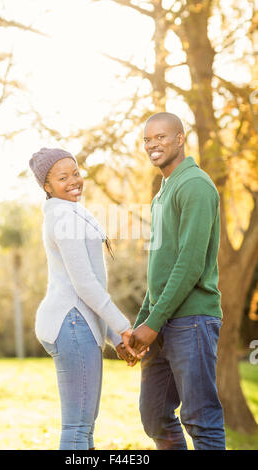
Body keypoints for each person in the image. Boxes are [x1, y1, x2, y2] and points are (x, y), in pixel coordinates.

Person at [29, 148, 138, 450]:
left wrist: (115, 337)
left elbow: (88, 289)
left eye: (75, 173)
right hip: (71, 323)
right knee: (77, 428)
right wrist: (123, 327)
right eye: (62, 177)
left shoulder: (72, 212)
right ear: (47, 187)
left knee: (85, 428)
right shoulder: (64, 217)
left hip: (77, 322)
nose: (73, 181)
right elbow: (85, 285)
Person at [129, 112, 226, 450]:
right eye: (147, 139)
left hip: (193, 321)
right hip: (164, 320)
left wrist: (153, 323)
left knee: (202, 420)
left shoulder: (196, 185)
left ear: (180, 138)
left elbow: (189, 264)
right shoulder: (162, 193)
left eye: (161, 137)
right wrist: (141, 325)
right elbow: (161, 269)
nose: (153, 144)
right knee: (153, 414)